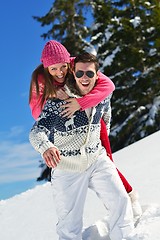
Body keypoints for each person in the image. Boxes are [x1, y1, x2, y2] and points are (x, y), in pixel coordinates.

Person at [29, 52, 139, 240]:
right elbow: (36, 132)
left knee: (120, 201)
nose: (84, 78)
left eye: (89, 74)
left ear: (98, 75)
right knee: (69, 226)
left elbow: (106, 117)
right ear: (73, 72)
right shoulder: (57, 103)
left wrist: (97, 143)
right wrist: (46, 146)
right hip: (67, 168)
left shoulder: (102, 97)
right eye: (80, 74)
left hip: (96, 159)